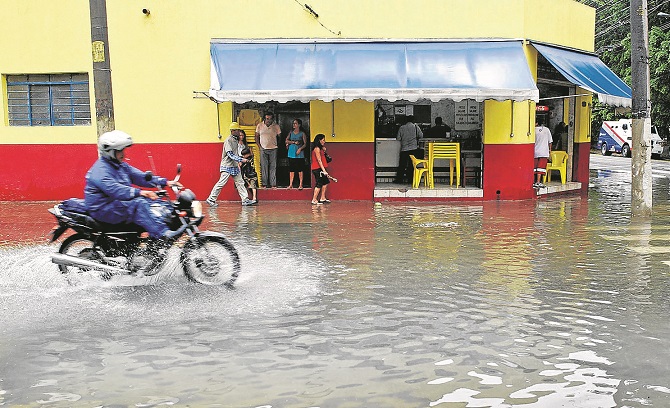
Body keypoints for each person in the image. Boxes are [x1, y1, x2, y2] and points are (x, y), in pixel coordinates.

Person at [84, 130, 183, 240]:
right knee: (138, 204)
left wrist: (165, 182)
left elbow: (140, 177)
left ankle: (155, 243)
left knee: (157, 203)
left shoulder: (120, 165)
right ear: (110, 152)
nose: (123, 154)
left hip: (116, 204)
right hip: (102, 209)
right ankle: (163, 234)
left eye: (123, 150)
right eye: (119, 151)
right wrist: (140, 192)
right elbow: (115, 190)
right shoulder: (101, 170)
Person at [206, 122, 255, 207]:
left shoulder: (236, 140)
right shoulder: (228, 140)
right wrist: (242, 159)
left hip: (234, 165)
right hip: (227, 165)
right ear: (232, 131)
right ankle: (211, 199)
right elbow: (230, 154)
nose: (239, 132)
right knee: (222, 182)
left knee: (240, 182)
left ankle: (245, 200)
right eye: (237, 130)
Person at [255, 112, 281, 189]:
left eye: (270, 119)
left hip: (273, 149)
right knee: (264, 166)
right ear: (264, 118)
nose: (268, 120)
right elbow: (256, 137)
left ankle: (273, 184)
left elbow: (280, 137)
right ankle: (264, 184)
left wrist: (277, 146)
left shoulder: (276, 126)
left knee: (273, 167)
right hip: (263, 149)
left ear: (272, 119)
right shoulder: (260, 125)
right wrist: (259, 147)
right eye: (267, 119)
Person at [395, 115, 424, 184]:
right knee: (411, 165)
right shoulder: (416, 127)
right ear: (413, 120)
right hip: (413, 149)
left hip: (404, 149)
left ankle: (399, 179)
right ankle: (410, 180)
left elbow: (398, 138)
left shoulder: (402, 127)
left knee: (402, 165)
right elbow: (421, 136)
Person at [286, 118, 307, 189]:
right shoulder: (291, 132)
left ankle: (300, 184)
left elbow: (305, 144)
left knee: (300, 169)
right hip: (291, 153)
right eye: (293, 123)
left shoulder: (302, 133)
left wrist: (300, 149)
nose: (294, 125)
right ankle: (290, 184)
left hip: (299, 154)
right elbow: (286, 140)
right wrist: (293, 142)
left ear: (299, 125)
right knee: (291, 169)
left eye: (295, 123)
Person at [310, 133, 331, 205]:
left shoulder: (321, 148)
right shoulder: (317, 149)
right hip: (317, 168)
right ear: (319, 140)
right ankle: (314, 199)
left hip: (321, 168)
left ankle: (322, 198)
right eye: (323, 140)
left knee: (325, 182)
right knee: (319, 183)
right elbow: (319, 160)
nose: (324, 141)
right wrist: (324, 170)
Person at [534, 119, 553, 188]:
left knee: (535, 167)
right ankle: (538, 182)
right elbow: (550, 142)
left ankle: (534, 182)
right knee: (541, 167)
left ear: (536, 123)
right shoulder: (547, 130)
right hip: (544, 152)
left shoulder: (533, 130)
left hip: (535, 152)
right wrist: (550, 150)